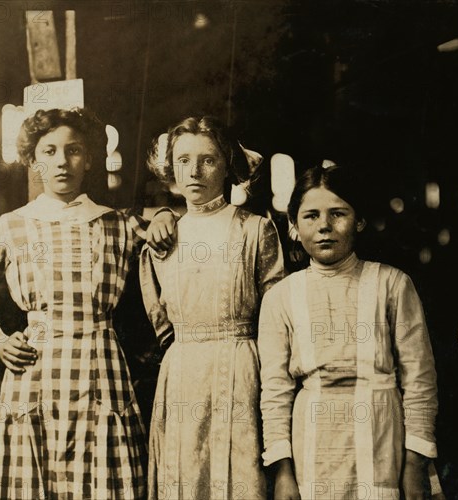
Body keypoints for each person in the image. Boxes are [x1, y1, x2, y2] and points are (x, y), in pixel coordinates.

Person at [0, 107, 177, 500]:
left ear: (89, 158)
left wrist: (163, 215)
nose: (62, 161)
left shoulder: (119, 223)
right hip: (35, 373)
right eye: (49, 151)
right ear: (33, 159)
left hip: (101, 367)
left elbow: (177, 232)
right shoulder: (9, 226)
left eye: (73, 150)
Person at [258, 165, 443, 499]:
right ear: (294, 227)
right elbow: (275, 391)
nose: (325, 226)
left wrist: (414, 464)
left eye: (338, 213)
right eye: (311, 216)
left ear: (359, 221)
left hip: (382, 436)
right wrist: (283, 470)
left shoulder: (392, 284)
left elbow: (420, 379)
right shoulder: (280, 297)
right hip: (312, 444)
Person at [140, 116, 287, 499]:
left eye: (208, 159)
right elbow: (159, 321)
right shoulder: (163, 235)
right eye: (183, 160)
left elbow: (277, 318)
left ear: (227, 165)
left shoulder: (255, 229)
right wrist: (159, 214)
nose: (195, 171)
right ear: (171, 167)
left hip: (241, 367)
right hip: (184, 371)